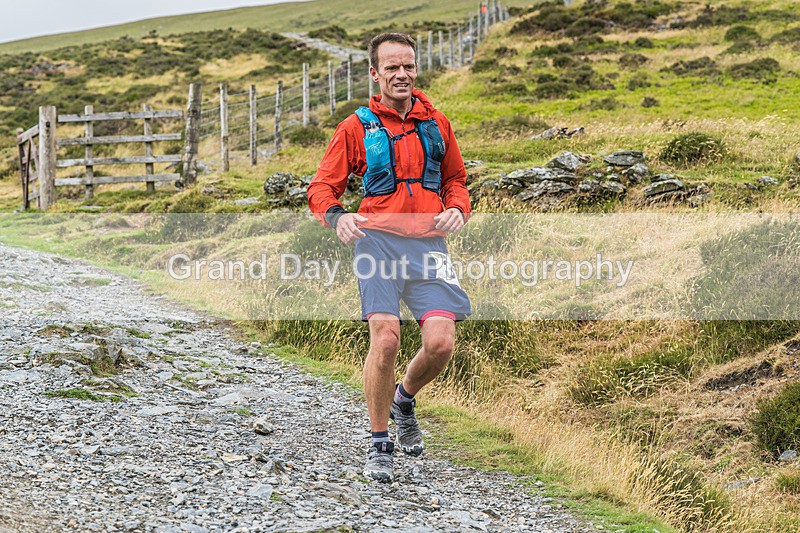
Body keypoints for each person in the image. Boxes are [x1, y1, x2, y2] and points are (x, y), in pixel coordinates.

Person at [307, 32, 472, 482]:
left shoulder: (436, 122)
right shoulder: (355, 127)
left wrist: (457, 207)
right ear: (375, 74)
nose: (402, 75)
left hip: (429, 245)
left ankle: (404, 399)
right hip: (376, 243)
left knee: (440, 344)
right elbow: (321, 188)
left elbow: (456, 178)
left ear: (416, 69)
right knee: (386, 340)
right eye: (392, 68)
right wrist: (337, 216)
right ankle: (380, 440)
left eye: (409, 66)